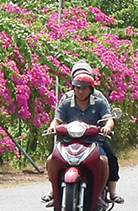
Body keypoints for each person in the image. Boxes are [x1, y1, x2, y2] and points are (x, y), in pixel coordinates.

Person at [51, 70, 121, 201]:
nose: (80, 91)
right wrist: (53, 126)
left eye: (83, 88)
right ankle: (53, 191)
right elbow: (57, 119)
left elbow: (109, 119)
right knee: (52, 159)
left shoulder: (99, 102)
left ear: (91, 89)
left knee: (106, 159)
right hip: (69, 141)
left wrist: (106, 127)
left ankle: (109, 193)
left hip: (93, 141)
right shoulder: (66, 102)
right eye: (77, 88)